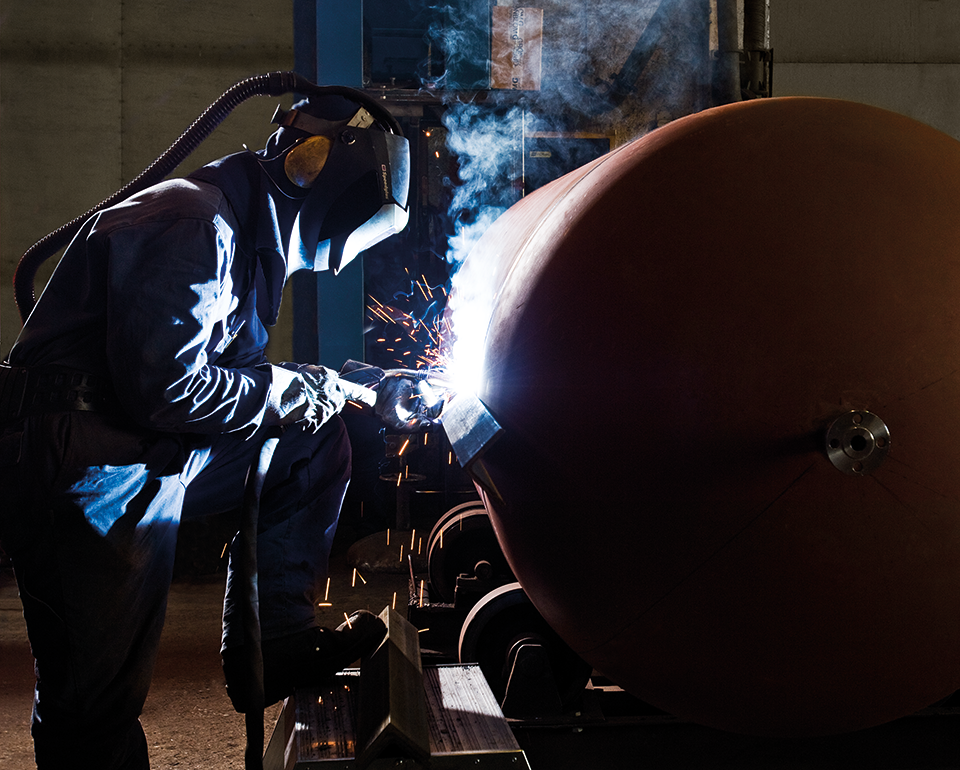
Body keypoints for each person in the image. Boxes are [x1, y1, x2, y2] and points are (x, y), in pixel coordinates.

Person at [0, 89, 432, 769]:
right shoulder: (192, 223)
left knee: (308, 441)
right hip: (85, 460)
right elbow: (170, 392)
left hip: (139, 444)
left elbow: (223, 386)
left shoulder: (237, 231)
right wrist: (290, 388)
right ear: (311, 170)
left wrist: (347, 389)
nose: (324, 256)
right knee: (95, 702)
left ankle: (278, 643)